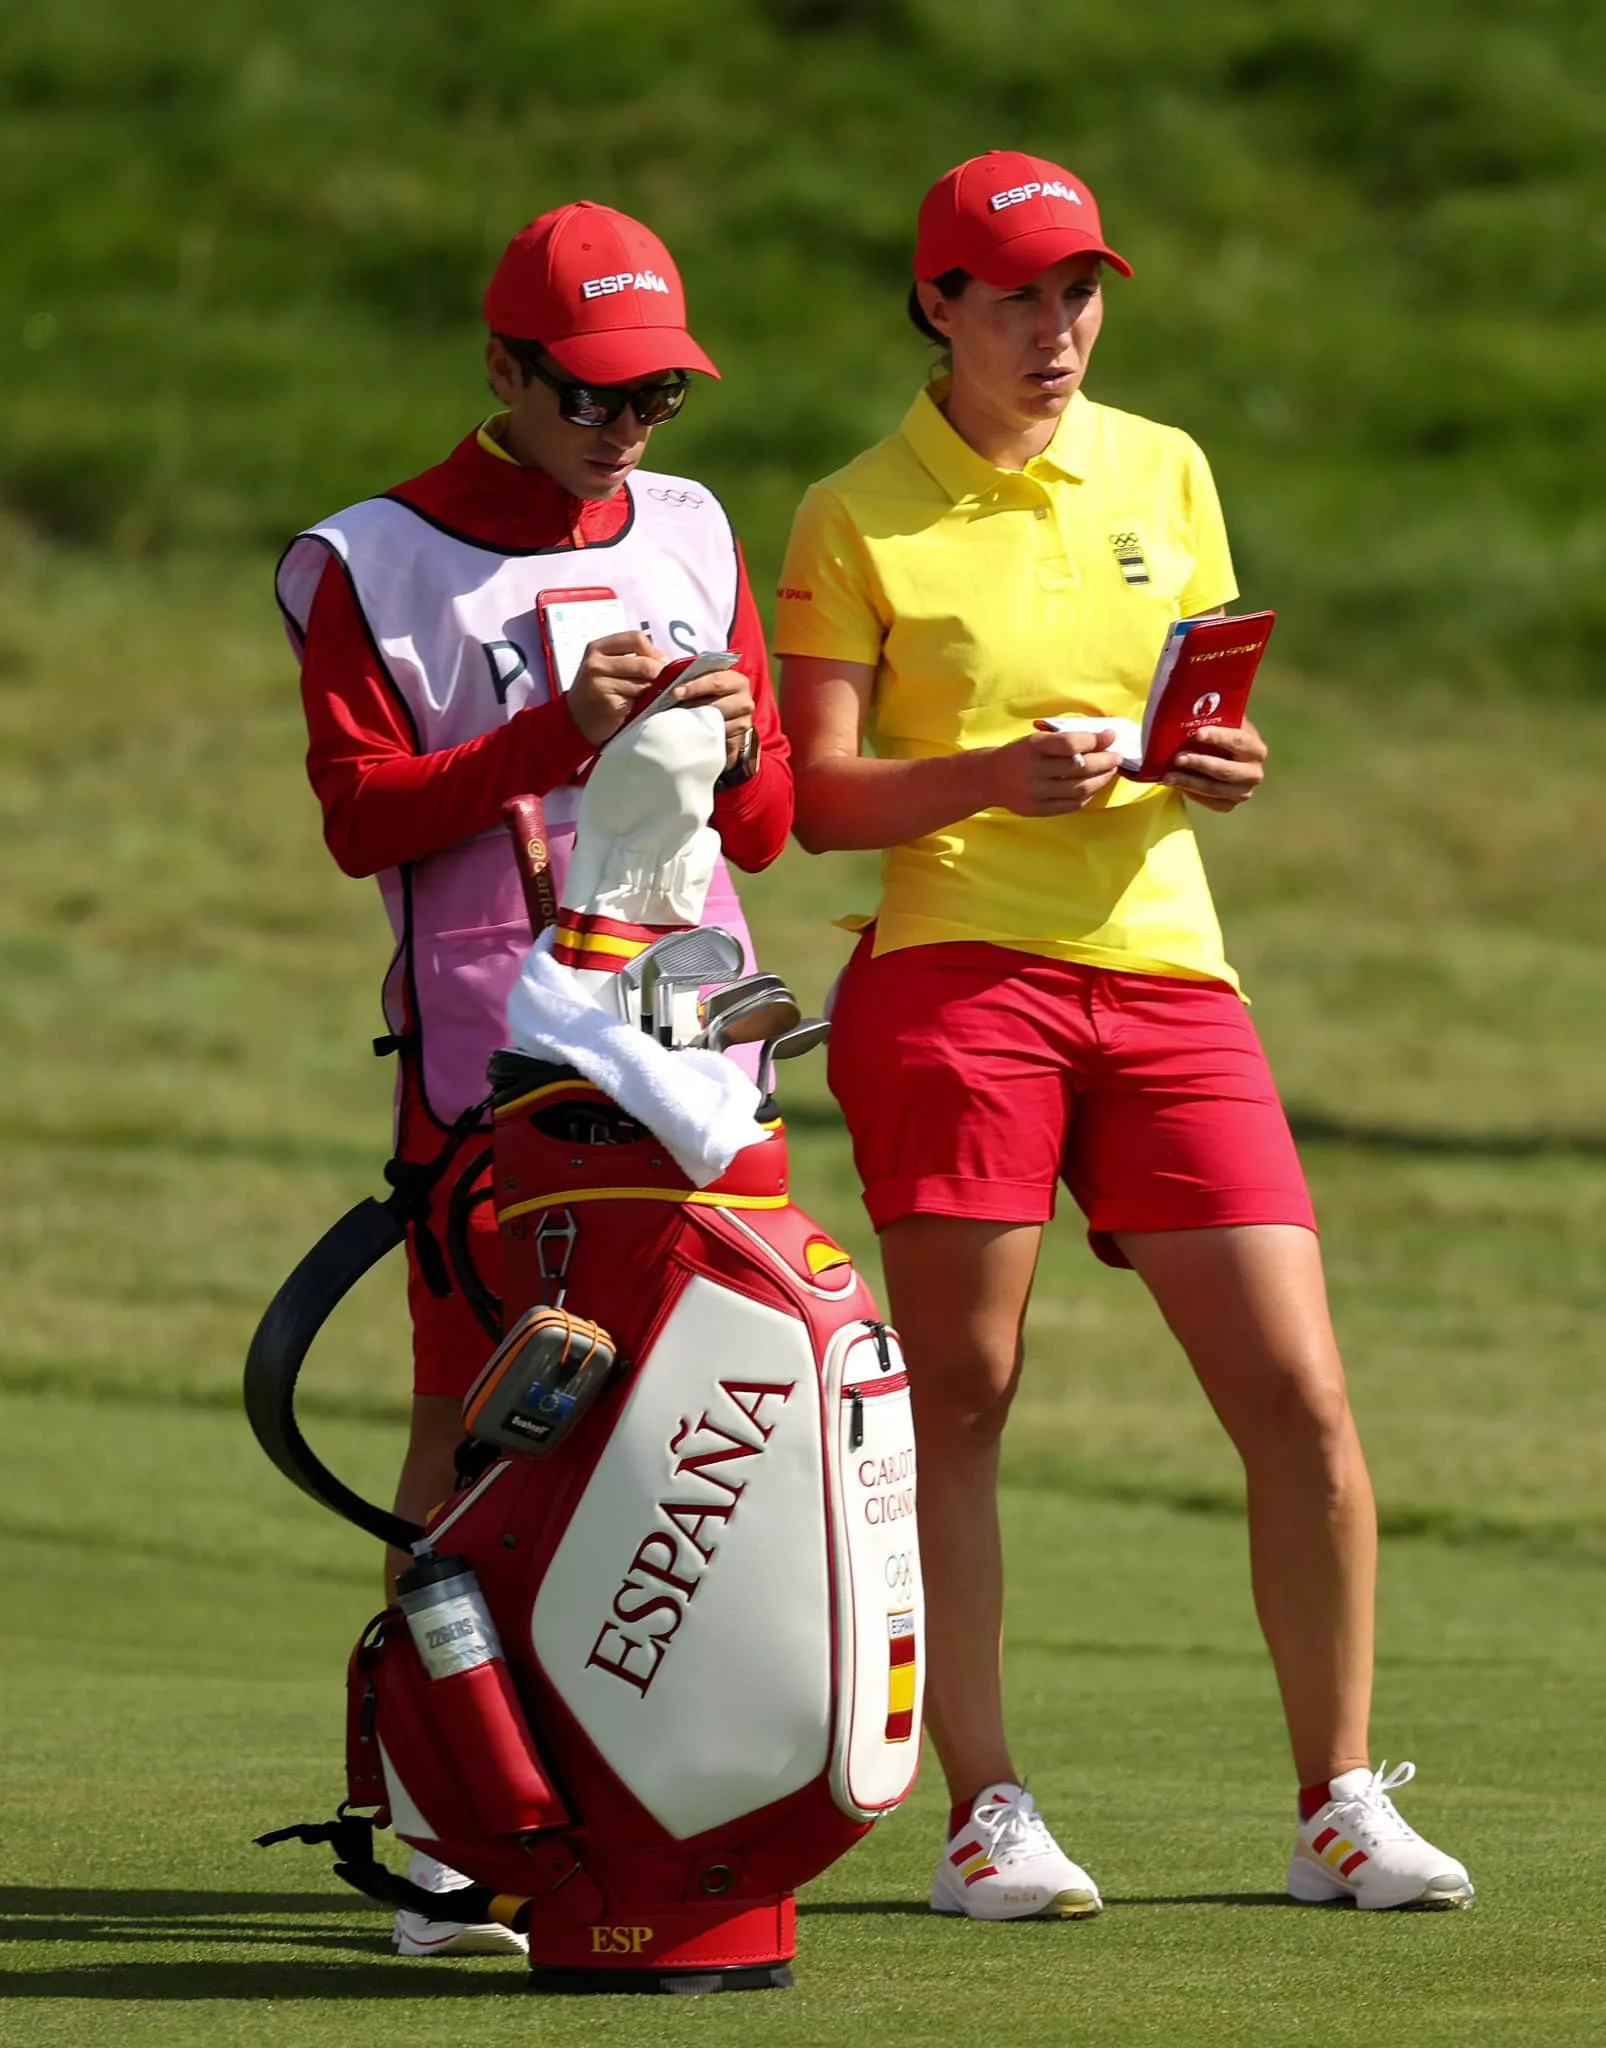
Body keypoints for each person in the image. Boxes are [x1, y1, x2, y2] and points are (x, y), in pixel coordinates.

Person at [774, 151, 1472, 1921]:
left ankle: (1336, 1806)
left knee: (1299, 1395)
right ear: (935, 302)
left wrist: (1213, 762)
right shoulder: (855, 514)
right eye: (1015, 296)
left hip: (1166, 971)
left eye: (1078, 292)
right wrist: (989, 779)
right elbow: (815, 803)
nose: (1056, 328)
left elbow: (1201, 710)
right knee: (967, 1388)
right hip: (951, 974)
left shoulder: (1164, 466)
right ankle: (982, 1808)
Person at [277, 201, 791, 1953]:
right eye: (593, 397)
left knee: (699, 1419)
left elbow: (773, 823)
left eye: (657, 398)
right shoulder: (366, 556)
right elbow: (366, 820)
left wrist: (730, 731)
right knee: (482, 1425)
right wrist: (553, 732)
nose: (628, 432)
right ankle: (444, 1831)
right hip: (489, 1063)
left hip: (698, 1050)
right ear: (502, 371)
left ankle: (655, 1802)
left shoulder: (693, 523)